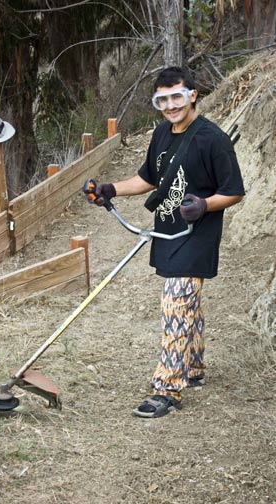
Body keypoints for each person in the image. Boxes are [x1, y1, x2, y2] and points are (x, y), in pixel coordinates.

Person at [87, 66, 245, 418]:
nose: (170, 105)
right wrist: (110, 189)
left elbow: (233, 192)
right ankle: (194, 367)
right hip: (168, 230)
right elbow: (148, 178)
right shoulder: (161, 133)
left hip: (197, 234)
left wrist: (204, 204)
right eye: (163, 99)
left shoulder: (212, 139)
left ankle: (167, 389)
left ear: (193, 95)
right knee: (188, 301)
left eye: (177, 96)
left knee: (176, 303)